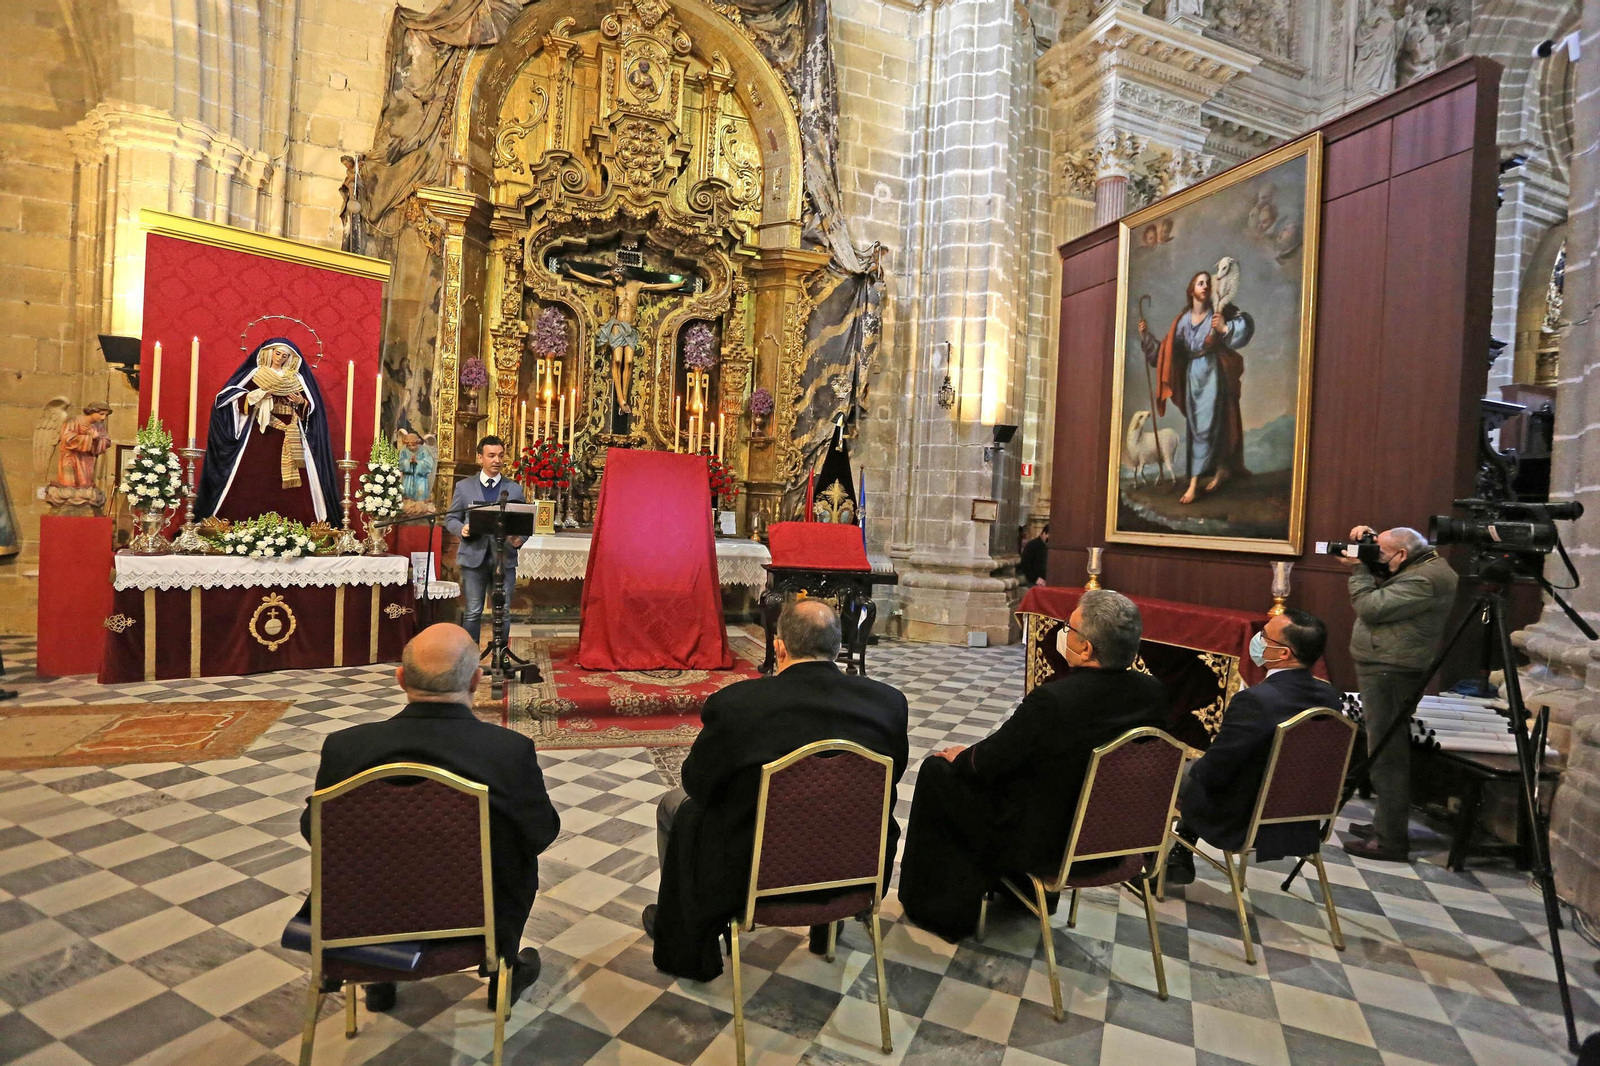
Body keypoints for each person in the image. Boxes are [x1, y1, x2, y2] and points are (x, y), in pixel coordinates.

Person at [645, 600, 910, 981]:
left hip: (749, 874)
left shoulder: (738, 705)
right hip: (856, 868)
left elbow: (697, 783)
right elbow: (892, 775)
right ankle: (828, 924)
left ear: (780, 647)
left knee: (676, 806)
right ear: (837, 648)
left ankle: (686, 933)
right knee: (834, 807)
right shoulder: (887, 703)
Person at [299, 624, 560, 1011]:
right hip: (475, 920)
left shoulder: (344, 747)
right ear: (476, 680)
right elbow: (541, 833)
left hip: (364, 917)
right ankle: (501, 964)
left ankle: (380, 969)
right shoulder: (507, 752)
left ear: (400, 678)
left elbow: (313, 832)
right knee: (515, 853)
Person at [897, 589, 1169, 942]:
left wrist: (963, 756)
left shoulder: (1056, 701)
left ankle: (940, 910)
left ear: (1086, 649)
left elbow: (991, 761)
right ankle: (1015, 894)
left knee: (939, 772)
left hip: (1048, 843)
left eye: (1069, 629)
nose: (1063, 635)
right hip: (1116, 838)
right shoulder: (1153, 693)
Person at [1163, 608, 1345, 885]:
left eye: (1264, 636)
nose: (1257, 640)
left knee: (1169, 774)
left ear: (1284, 653)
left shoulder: (1256, 700)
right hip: (1300, 816)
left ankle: (1153, 866)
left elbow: (1214, 772)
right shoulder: (1330, 697)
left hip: (1244, 815)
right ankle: (1180, 853)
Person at [1337, 525, 1458, 861]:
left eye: (1381, 551)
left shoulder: (1426, 578)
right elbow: (1393, 571)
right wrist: (1373, 543)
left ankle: (1390, 840)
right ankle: (1384, 825)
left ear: (1403, 554)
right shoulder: (1420, 563)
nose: (1377, 556)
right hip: (1388, 664)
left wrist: (1360, 567)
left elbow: (1372, 607)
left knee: (1387, 754)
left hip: (1391, 670)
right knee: (1383, 748)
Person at [1139, 270, 1255, 505]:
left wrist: (1223, 328)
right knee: (1196, 427)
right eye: (1200, 283)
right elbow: (1167, 352)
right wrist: (1147, 338)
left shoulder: (1217, 312)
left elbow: (1246, 324)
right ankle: (1220, 469)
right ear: (1192, 289)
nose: (1205, 286)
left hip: (1213, 373)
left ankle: (1194, 483)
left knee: (1210, 424)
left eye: (1208, 284)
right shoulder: (1183, 320)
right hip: (1193, 375)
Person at [195, 339, 341, 525]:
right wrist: (256, 395)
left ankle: (300, 525)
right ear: (269, 352)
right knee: (255, 472)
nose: (280, 358)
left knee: (298, 483)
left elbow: (312, 408)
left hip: (291, 431)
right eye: (277, 353)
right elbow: (227, 399)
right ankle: (244, 523)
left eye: (285, 355)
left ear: (291, 358)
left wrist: (300, 403)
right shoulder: (256, 374)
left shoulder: (297, 379)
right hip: (261, 433)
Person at [444, 436, 526, 646]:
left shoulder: (514, 489)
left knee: (504, 611)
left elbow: (524, 521)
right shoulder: (464, 487)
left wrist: (520, 539)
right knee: (472, 610)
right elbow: (451, 518)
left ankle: (501, 655)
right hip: (473, 558)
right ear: (480, 457)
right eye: (491, 456)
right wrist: (461, 528)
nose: (497, 460)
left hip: (504, 558)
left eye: (500, 455)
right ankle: (470, 659)